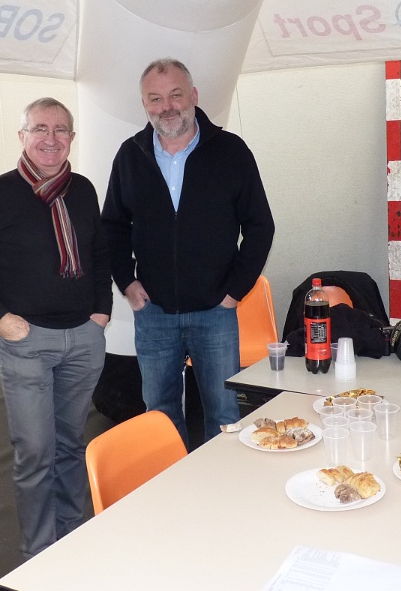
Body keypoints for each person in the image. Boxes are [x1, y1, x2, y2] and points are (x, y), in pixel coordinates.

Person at [0, 98, 112, 559]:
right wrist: (1, 318)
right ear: (22, 136)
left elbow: (99, 254)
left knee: (71, 445)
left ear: (72, 138)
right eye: (40, 128)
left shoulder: (82, 190)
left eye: (60, 130)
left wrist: (101, 312)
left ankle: (71, 539)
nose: (50, 138)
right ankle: (39, 555)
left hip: (83, 338)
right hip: (25, 343)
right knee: (35, 451)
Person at [102, 58, 274, 445]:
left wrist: (234, 292)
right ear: (145, 104)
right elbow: (111, 226)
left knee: (225, 415)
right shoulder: (130, 156)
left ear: (193, 95)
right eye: (155, 99)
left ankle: (221, 483)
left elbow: (261, 226)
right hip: (154, 313)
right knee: (159, 416)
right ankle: (173, 484)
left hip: (216, 312)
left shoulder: (231, 151)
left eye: (176, 95)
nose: (167, 107)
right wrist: (127, 282)